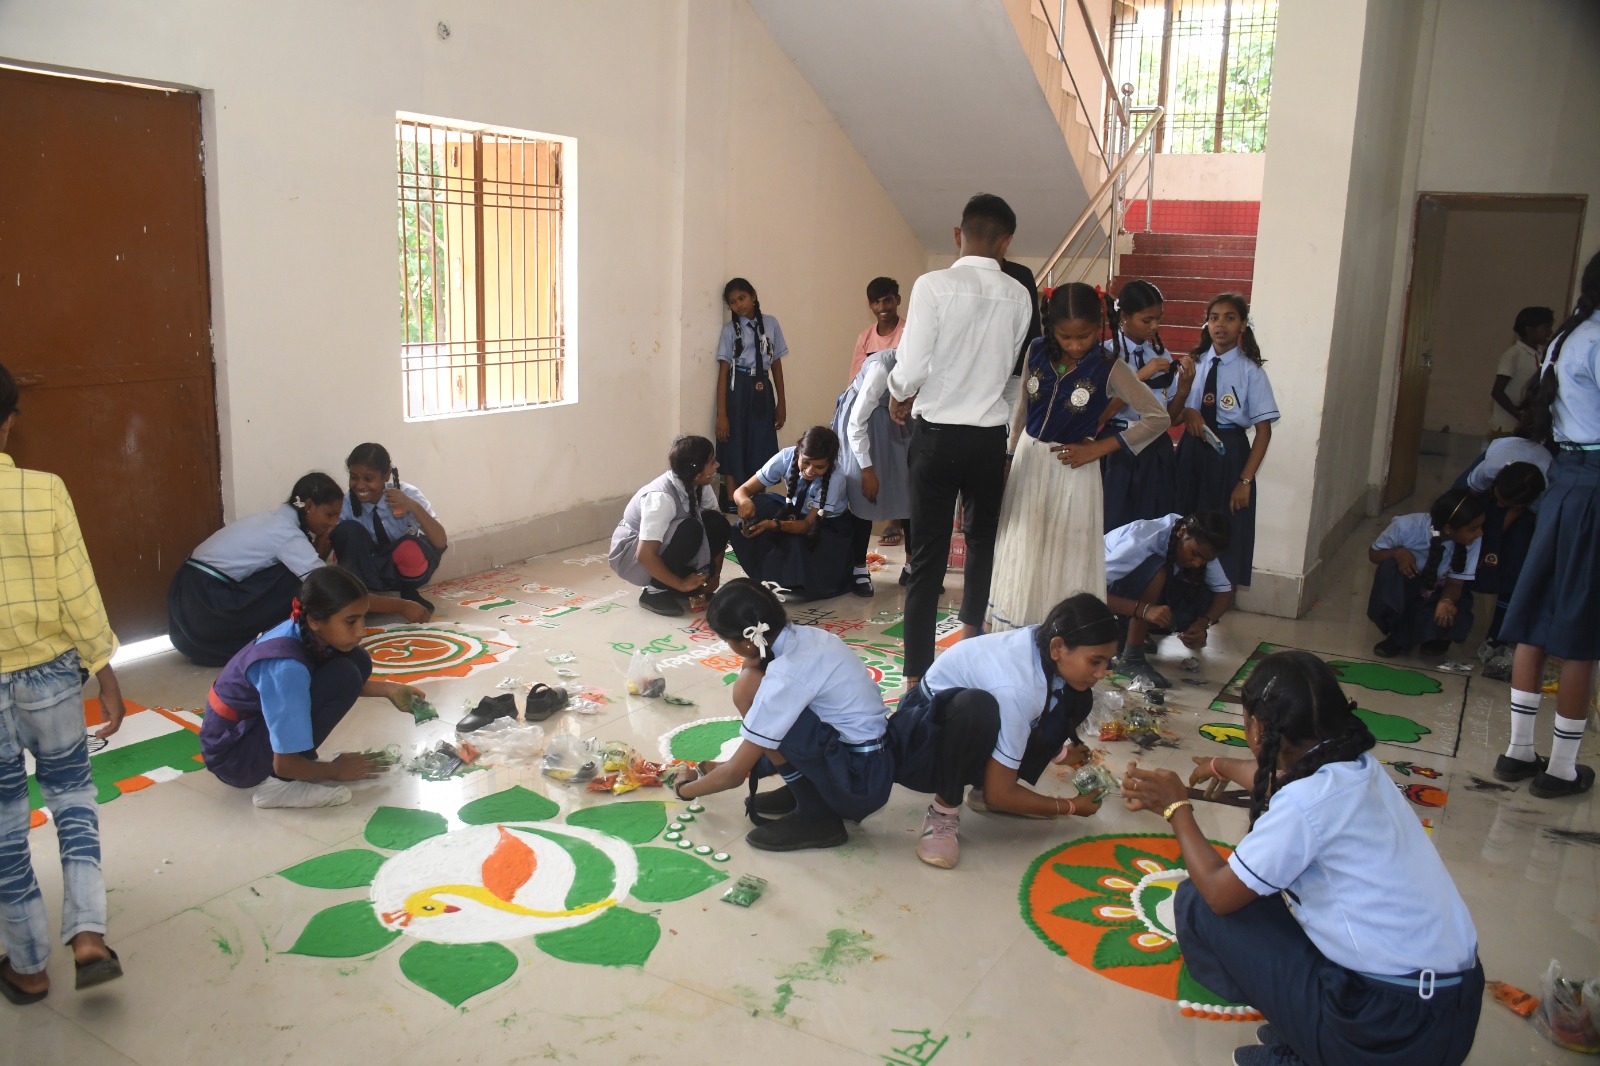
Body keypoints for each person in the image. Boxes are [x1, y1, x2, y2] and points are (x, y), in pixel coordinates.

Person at [1122, 651, 1482, 1066]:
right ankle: (1309, 1027)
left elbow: (1219, 893)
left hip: (1388, 1032)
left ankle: (1319, 1048)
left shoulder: (1305, 804)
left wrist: (1176, 808)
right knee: (1270, 893)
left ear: (1258, 727)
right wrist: (1221, 765)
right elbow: (1291, 785)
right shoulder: (1358, 766)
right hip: (1449, 1010)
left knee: (1200, 901)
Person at [0, 362, 125, 1003]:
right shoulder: (45, 490)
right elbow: (78, 589)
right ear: (9, 422)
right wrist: (104, 669)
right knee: (73, 797)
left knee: (4, 827)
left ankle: (27, 966)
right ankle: (88, 937)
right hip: (50, 674)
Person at [888, 194, 1033, 685]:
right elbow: (1012, 375)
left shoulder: (933, 285)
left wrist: (898, 394)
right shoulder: (1020, 295)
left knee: (927, 558)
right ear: (1006, 243)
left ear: (958, 235)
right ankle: (970, 645)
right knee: (981, 543)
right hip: (989, 440)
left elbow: (911, 368)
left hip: (937, 438)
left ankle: (916, 676)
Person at [987, 284, 1169, 631]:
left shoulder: (1109, 366)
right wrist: (1009, 453)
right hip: (1029, 461)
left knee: (1065, 551)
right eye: (1065, 337)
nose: (1074, 345)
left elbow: (1157, 417)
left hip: (1073, 468)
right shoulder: (1036, 349)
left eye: (1083, 336)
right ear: (1051, 327)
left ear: (1098, 326)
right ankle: (1021, 627)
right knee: (1026, 545)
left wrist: (1099, 447)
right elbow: (1022, 407)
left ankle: (1063, 631)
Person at [887, 593, 1116, 869]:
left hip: (971, 718)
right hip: (922, 731)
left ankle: (983, 788)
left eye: (1107, 662)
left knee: (1078, 697)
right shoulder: (1019, 688)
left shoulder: (1043, 644)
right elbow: (1002, 789)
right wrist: (1070, 806)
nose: (1101, 673)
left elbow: (1029, 713)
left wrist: (1060, 753)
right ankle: (943, 813)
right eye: (1095, 662)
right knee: (976, 708)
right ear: (1058, 647)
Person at [670, 579, 892, 851]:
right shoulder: (805, 637)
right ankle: (808, 787)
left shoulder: (786, 674)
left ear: (747, 641)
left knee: (750, 690)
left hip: (856, 784)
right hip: (871, 765)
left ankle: (816, 814)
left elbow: (734, 776)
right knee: (754, 685)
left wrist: (683, 789)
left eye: (726, 640)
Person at [1494, 251, 1600, 799]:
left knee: (1535, 617)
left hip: (1564, 483)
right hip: (1594, 485)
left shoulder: (1566, 337)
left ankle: (1517, 752)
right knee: (1582, 632)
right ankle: (1561, 769)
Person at [199, 566, 429, 809]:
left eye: (363, 618)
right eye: (351, 621)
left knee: (357, 660)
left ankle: (296, 758)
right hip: (235, 757)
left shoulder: (306, 629)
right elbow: (284, 764)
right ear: (314, 621)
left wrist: (389, 690)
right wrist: (335, 770)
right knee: (346, 674)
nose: (361, 631)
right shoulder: (288, 669)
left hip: (249, 730)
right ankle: (278, 786)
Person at [168, 473, 427, 666]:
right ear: (309, 506)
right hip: (206, 606)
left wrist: (320, 547)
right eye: (329, 515)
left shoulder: (273, 520)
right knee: (306, 584)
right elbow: (326, 587)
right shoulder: (287, 535)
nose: (333, 523)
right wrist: (401, 606)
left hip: (187, 610)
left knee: (303, 577)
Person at [1170, 293, 1279, 588]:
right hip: (1192, 452)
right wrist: (1188, 410)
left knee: (1223, 525)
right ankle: (1179, 590)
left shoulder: (1250, 371)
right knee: (1186, 518)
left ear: (1242, 325)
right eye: (1214, 318)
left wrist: (1245, 481)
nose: (1220, 325)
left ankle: (1218, 595)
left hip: (1229, 454)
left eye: (1229, 318)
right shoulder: (1193, 364)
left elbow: (1264, 432)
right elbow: (1172, 417)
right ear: (1206, 323)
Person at [1103, 511, 1234, 688]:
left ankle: (1125, 632)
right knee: (1157, 570)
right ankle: (1131, 657)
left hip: (1130, 597)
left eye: (1205, 559)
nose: (1197, 563)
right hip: (1104, 592)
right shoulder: (1141, 541)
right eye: (1194, 554)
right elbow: (1090, 589)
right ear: (1182, 532)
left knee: (1205, 594)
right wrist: (1144, 610)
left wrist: (1203, 622)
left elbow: (1224, 592)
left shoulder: (1201, 542)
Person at [728, 427, 853, 603]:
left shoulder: (835, 478)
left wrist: (774, 525)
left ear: (830, 463)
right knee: (761, 504)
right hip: (795, 512)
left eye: (819, 467)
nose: (810, 471)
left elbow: (806, 526)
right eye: (806, 462)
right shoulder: (786, 456)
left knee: (796, 544)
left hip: (826, 525)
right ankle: (767, 571)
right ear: (798, 450)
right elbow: (742, 490)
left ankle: (792, 578)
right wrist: (744, 502)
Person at [609, 435, 729, 617]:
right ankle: (655, 591)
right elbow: (644, 554)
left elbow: (718, 529)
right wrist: (682, 584)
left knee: (717, 523)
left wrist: (715, 576)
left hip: (660, 547)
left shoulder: (700, 484)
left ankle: (677, 582)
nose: (717, 465)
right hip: (633, 554)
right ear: (697, 472)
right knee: (691, 529)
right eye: (712, 462)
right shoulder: (661, 498)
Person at [1366, 487, 1486, 659]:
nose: (1480, 533)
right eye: (1473, 529)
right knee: (1389, 569)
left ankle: (1439, 637)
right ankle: (1397, 635)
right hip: (1410, 583)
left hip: (1439, 587)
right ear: (1449, 529)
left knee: (1458, 603)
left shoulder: (1473, 541)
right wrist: (1396, 553)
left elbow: (1456, 582)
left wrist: (1447, 600)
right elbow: (1373, 554)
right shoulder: (1406, 527)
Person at [329, 443, 449, 613]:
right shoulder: (347, 503)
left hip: (398, 564)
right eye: (354, 477)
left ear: (386, 476)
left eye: (368, 479)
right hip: (368, 568)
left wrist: (413, 506)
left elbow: (440, 541)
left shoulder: (407, 494)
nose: (360, 486)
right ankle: (363, 598)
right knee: (346, 530)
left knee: (410, 548)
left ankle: (407, 591)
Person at [833, 347, 913, 597]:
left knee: (909, 491)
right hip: (864, 423)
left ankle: (912, 567)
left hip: (898, 421)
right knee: (863, 494)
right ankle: (859, 569)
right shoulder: (881, 369)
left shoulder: (927, 366)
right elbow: (856, 424)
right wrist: (867, 469)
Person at [1101, 279, 1178, 531]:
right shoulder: (1107, 354)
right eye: (1147, 320)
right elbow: (1103, 413)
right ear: (1124, 316)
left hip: (1155, 447)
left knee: (1152, 524)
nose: (1154, 326)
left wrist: (1185, 387)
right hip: (1118, 444)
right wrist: (1140, 376)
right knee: (1114, 522)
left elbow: (1170, 415)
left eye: (1158, 319)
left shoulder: (1161, 355)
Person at [714, 278, 787, 510]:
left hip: (763, 387)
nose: (739, 305)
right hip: (738, 387)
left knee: (761, 439)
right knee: (733, 439)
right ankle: (732, 498)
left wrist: (782, 403)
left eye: (742, 298)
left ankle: (756, 496)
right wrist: (722, 413)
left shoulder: (771, 324)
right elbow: (723, 373)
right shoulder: (729, 331)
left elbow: (776, 365)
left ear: (753, 296)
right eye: (733, 302)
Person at [1469, 462, 1546, 680]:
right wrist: (1481, 550)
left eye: (1507, 504)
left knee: (1514, 568)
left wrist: (1511, 516)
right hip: (1487, 500)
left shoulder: (1540, 502)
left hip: (1524, 517)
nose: (1500, 504)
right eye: (1499, 498)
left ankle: (1498, 635)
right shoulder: (1486, 473)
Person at [1486, 306, 1555, 439]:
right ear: (1529, 330)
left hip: (1525, 427)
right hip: (1507, 426)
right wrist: (1519, 415)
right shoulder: (1513, 354)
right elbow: (1497, 392)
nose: (1550, 332)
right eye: (1546, 327)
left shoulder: (1540, 354)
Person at [848, 276, 904, 382]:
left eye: (887, 301)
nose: (882, 307)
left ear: (898, 300)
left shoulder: (910, 332)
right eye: (876, 302)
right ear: (870, 304)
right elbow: (855, 381)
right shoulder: (865, 338)